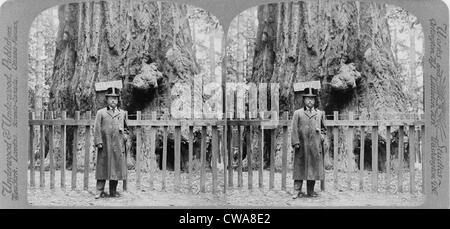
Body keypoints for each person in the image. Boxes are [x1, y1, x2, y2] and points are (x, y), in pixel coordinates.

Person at [291, 87, 327, 198]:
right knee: (299, 167)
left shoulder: (319, 114)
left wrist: (322, 137)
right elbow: (294, 129)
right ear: (304, 100)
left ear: (315, 100)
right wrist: (296, 142)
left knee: (313, 168)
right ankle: (297, 190)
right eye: (307, 99)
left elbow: (324, 130)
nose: (310, 101)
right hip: (301, 146)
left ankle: (310, 191)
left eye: (312, 99)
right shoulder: (298, 113)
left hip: (315, 146)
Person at [93, 87, 129, 199]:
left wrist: (125, 136)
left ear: (118, 100)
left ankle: (113, 191)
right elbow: (97, 128)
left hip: (118, 145)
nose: (113, 100)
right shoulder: (101, 113)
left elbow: (126, 128)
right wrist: (98, 141)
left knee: (116, 168)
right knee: (102, 166)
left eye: (115, 98)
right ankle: (99, 190)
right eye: (111, 98)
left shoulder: (122, 113)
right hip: (105, 144)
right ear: (107, 100)